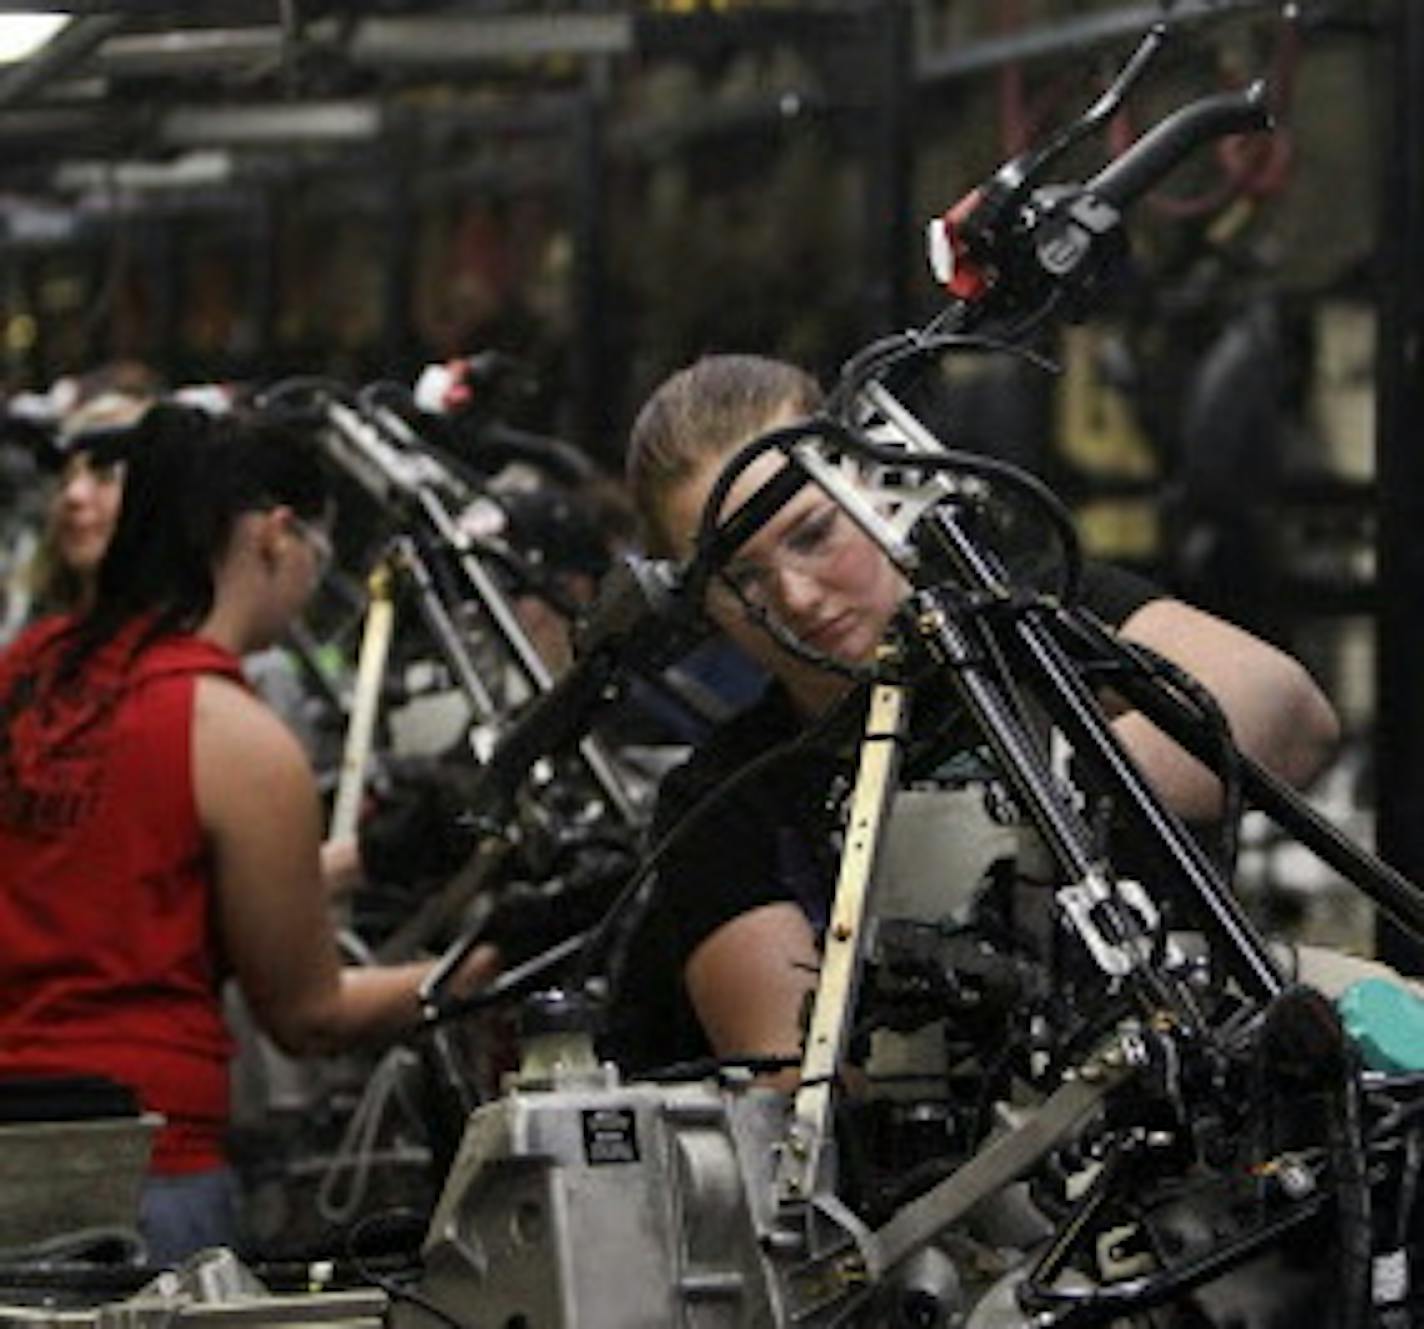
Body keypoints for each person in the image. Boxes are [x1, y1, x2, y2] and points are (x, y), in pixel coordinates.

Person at [612, 352, 1341, 1076]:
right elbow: (793, 1091)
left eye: (812, 534)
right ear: (696, 603)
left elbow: (1289, 711)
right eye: (744, 577)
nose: (797, 597)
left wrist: (1043, 808)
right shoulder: (721, 803)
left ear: (876, 486)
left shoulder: (1038, 626)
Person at [0, 403, 496, 1264]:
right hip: (144, 1177)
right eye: (320, 550)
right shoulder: (234, 734)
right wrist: (486, 968)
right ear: (275, 534)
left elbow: (117, 867)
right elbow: (308, 1015)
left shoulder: (26, 670)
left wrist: (360, 857)